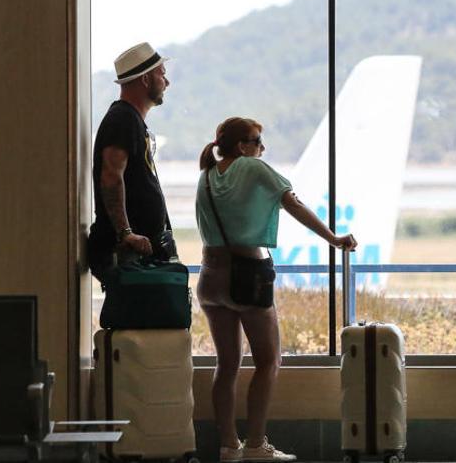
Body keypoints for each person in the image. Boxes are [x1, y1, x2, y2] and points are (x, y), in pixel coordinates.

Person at [195, 117, 358, 462]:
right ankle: (255, 445)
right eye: (257, 141)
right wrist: (333, 239)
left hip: (210, 277)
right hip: (248, 276)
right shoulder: (254, 168)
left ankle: (227, 446)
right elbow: (293, 204)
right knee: (269, 360)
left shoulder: (206, 176)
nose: (262, 148)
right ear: (243, 146)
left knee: (227, 365)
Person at [88, 42, 174, 279]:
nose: (166, 83)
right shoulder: (123, 119)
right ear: (145, 80)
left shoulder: (130, 120)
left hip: (137, 252)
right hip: (129, 254)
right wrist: (126, 233)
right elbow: (111, 176)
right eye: (162, 75)